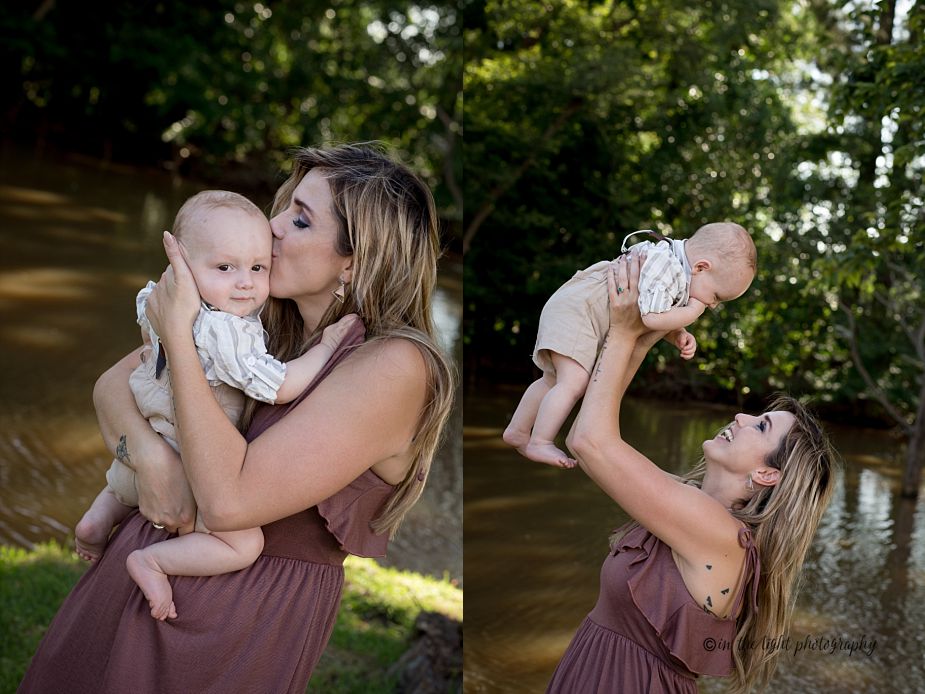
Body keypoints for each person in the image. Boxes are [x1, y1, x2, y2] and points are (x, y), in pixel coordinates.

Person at [19, 143, 455, 693]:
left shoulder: (394, 364)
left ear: (355, 260)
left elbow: (228, 503)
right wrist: (152, 462)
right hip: (146, 558)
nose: (273, 227)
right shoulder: (254, 314)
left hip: (236, 615)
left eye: (300, 219)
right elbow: (111, 386)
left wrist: (178, 335)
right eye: (284, 206)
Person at [545, 254, 838, 693]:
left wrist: (623, 331)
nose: (740, 417)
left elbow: (591, 442)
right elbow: (593, 435)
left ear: (767, 475)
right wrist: (642, 332)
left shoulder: (720, 533)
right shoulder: (689, 503)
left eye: (760, 426)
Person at [73, 190, 359, 621]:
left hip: (130, 471)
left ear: (350, 261)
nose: (245, 282)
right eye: (226, 268)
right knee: (244, 543)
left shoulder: (162, 302)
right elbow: (278, 385)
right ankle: (153, 562)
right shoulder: (229, 330)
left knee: (120, 488)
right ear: (183, 264)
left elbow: (138, 362)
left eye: (257, 268)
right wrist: (327, 349)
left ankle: (97, 519)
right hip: (188, 471)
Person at [504, 222, 757, 468]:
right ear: (701, 267)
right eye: (716, 296)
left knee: (553, 380)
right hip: (580, 312)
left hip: (574, 306)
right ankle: (540, 441)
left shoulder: (672, 264)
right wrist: (691, 313)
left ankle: (518, 431)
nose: (712, 305)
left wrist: (676, 334)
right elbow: (651, 317)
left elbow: (649, 309)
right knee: (574, 382)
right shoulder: (668, 268)